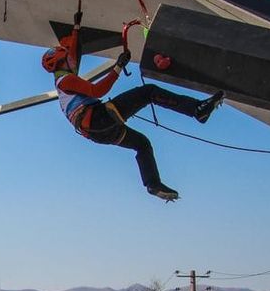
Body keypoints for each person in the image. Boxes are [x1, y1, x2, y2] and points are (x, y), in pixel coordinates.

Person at [41, 11, 225, 201]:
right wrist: (118, 67)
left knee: (142, 144)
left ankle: (153, 184)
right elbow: (97, 91)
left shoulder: (62, 81)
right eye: (68, 58)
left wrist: (76, 27)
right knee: (148, 92)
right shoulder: (67, 80)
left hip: (98, 133)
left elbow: (73, 53)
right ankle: (196, 110)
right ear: (63, 62)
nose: (72, 60)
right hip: (99, 118)